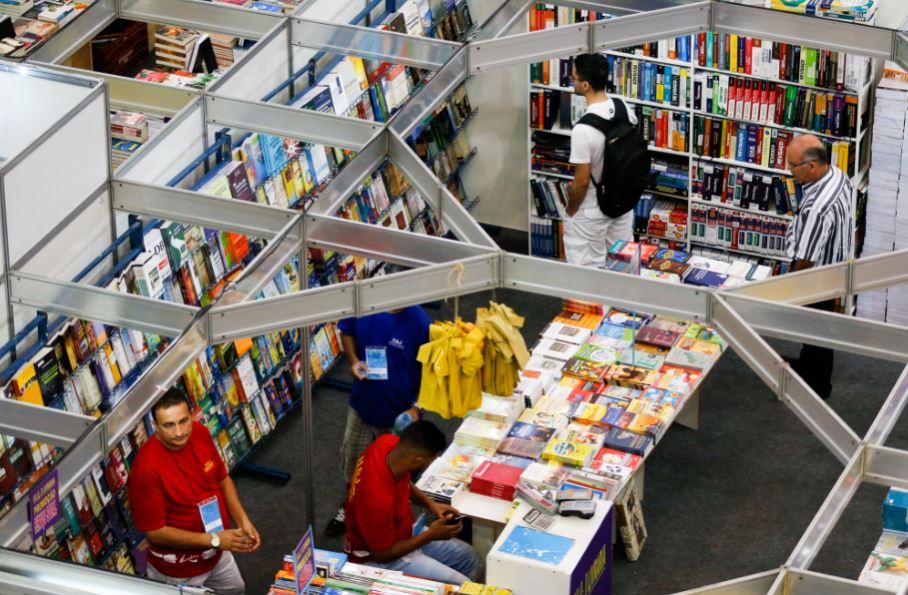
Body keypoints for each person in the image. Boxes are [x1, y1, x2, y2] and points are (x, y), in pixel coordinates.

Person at [127, 388, 260, 594]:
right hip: (180, 570)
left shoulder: (200, 432)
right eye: (169, 425)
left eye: (183, 421)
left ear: (191, 415)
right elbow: (155, 533)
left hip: (218, 553)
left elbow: (222, 479)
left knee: (236, 590)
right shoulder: (145, 469)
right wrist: (215, 539)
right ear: (155, 425)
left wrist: (243, 521)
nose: (179, 432)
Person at [324, 306, 431, 537]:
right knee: (353, 465)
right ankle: (350, 507)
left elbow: (432, 369)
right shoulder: (365, 304)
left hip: (400, 415)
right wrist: (353, 361)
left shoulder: (419, 321)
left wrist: (418, 406)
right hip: (362, 405)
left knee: (394, 472)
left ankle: (392, 515)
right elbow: (347, 330)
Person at [344, 420, 481, 584]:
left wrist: (430, 504)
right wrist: (430, 535)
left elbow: (405, 481)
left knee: (468, 557)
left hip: (402, 531)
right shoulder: (377, 500)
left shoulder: (387, 444)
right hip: (376, 559)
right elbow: (381, 554)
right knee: (461, 585)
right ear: (417, 460)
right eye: (432, 459)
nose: (433, 462)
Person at [784, 133, 854, 399]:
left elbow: (806, 258)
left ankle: (817, 385)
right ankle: (808, 364)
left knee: (815, 326)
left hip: (818, 277)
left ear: (811, 166)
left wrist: (792, 284)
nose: (790, 172)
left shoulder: (818, 207)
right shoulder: (837, 175)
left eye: (793, 166)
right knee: (817, 327)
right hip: (836, 265)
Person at [565, 53, 638, 267]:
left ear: (585, 85)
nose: (571, 81)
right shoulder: (624, 108)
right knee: (623, 264)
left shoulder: (582, 130)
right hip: (622, 204)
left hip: (591, 211)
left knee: (586, 272)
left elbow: (581, 182)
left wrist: (570, 211)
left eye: (574, 78)